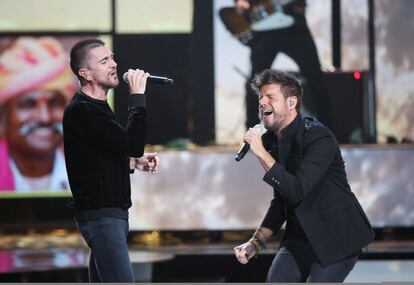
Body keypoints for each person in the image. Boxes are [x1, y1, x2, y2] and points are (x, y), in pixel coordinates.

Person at [233, 69, 374, 282]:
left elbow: (296, 190)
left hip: (336, 235)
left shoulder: (318, 137)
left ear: (291, 103)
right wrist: (255, 243)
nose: (262, 102)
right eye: (260, 97)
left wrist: (261, 153)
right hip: (300, 236)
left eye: (270, 96)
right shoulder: (273, 141)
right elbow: (282, 201)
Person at [63, 38, 159, 282]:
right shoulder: (84, 110)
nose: (114, 64)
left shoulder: (96, 107)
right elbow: (134, 145)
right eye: (104, 61)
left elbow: (100, 154)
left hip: (108, 217)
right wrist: (138, 97)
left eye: (112, 57)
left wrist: (131, 161)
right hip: (102, 218)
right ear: (84, 73)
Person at [234, 0, 331, 130]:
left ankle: (327, 130)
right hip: (263, 29)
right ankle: (251, 133)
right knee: (255, 81)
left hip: (294, 26)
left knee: (316, 78)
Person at [0, 37, 76, 191]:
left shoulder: (91, 169)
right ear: (4, 116)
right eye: (28, 104)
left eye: (54, 103)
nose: (44, 117)